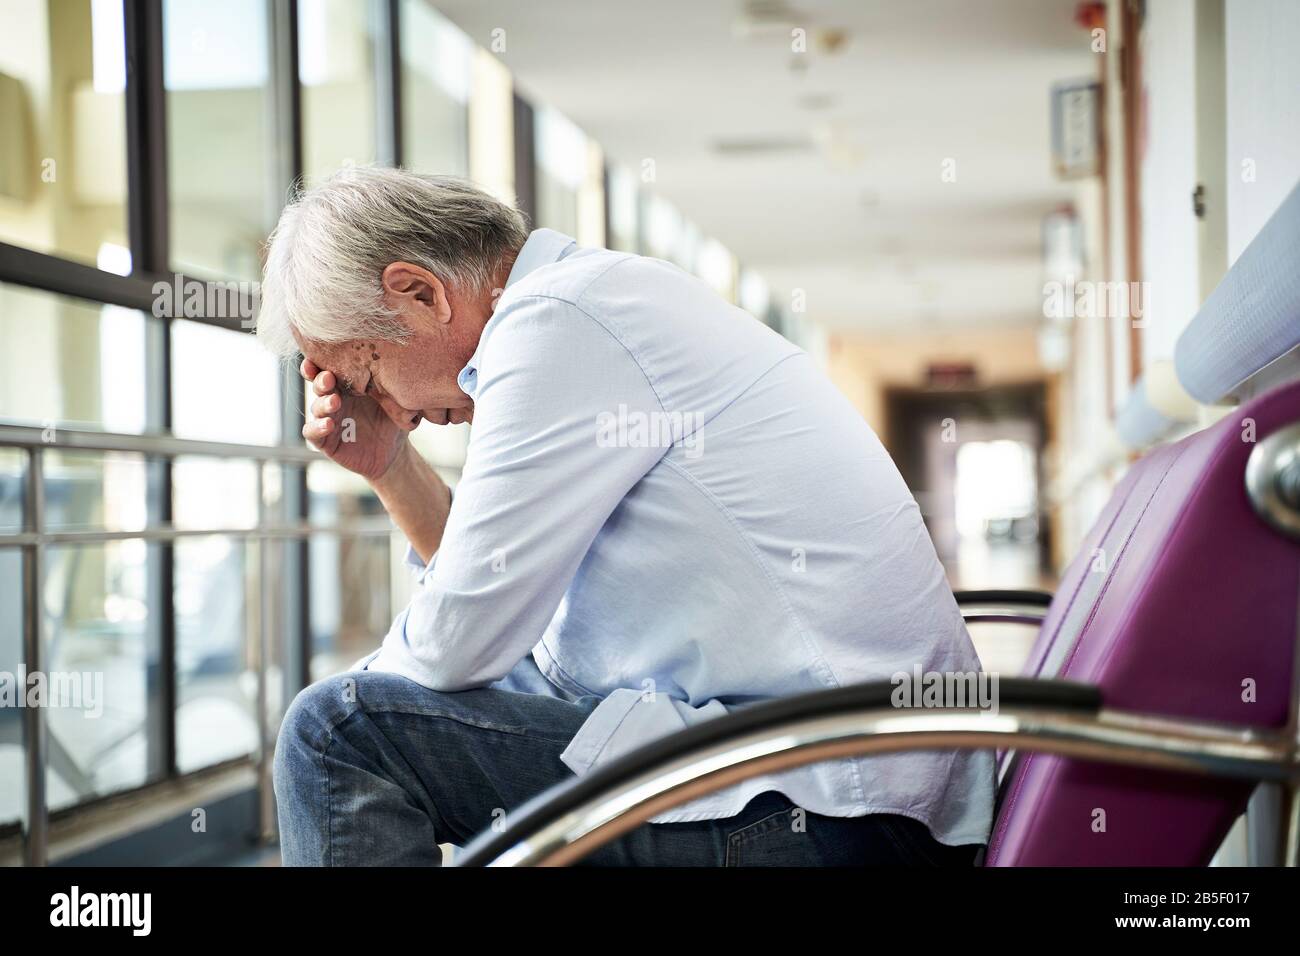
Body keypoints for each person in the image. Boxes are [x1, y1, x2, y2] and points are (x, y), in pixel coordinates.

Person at [257, 165, 993, 866]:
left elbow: (460, 645)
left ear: (419, 293)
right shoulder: (592, 303)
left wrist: (373, 684)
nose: (396, 412)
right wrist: (391, 468)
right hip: (858, 784)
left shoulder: (557, 323)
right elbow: (495, 627)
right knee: (366, 722)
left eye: (369, 372)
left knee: (336, 735)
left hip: (841, 809)